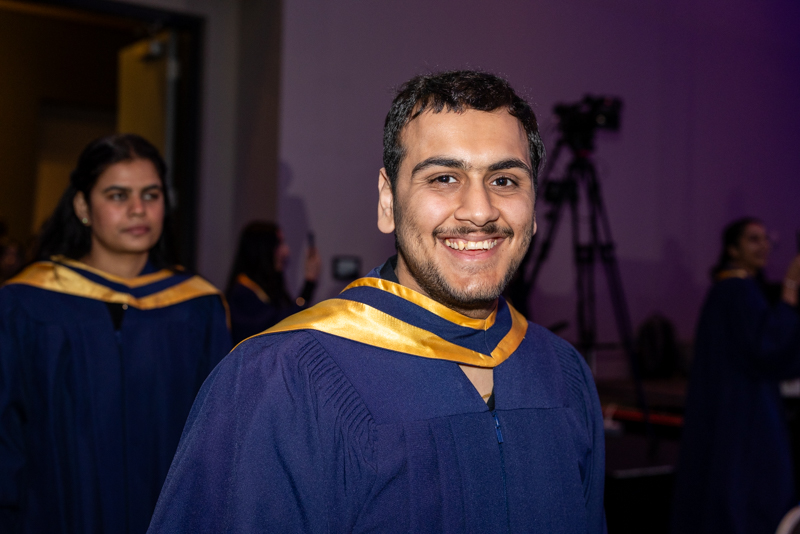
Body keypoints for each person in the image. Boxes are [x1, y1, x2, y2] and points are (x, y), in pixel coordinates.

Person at [148, 70, 606, 533]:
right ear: (388, 201)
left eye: (505, 180)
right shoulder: (280, 377)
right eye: (445, 177)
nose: (480, 210)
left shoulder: (563, 374)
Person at [0, 134, 231, 534]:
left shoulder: (197, 307)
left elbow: (219, 437)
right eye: (118, 195)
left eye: (151, 194)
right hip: (53, 514)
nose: (138, 210)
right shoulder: (27, 304)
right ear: (82, 206)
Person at [671, 217, 800, 534]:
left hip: (735, 412)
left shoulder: (734, 290)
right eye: (753, 239)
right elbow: (769, 347)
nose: (764, 245)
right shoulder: (736, 290)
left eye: (766, 239)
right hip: (744, 417)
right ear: (732, 249)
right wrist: (791, 290)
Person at [226, 221, 320, 344]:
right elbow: (279, 328)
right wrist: (308, 285)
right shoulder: (242, 294)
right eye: (279, 244)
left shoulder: (269, 286)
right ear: (261, 248)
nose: (286, 251)